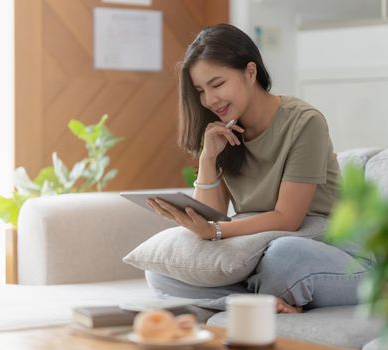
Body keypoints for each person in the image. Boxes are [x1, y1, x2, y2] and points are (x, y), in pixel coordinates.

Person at [145, 23, 375, 314]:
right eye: (201, 90)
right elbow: (210, 215)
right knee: (161, 270)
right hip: (260, 252)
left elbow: (288, 219)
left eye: (217, 84)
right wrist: (207, 159)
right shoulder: (222, 132)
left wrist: (215, 230)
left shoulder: (304, 122)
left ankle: (252, 297)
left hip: (334, 254)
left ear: (250, 72)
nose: (210, 100)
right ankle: (257, 301)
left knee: (284, 255)